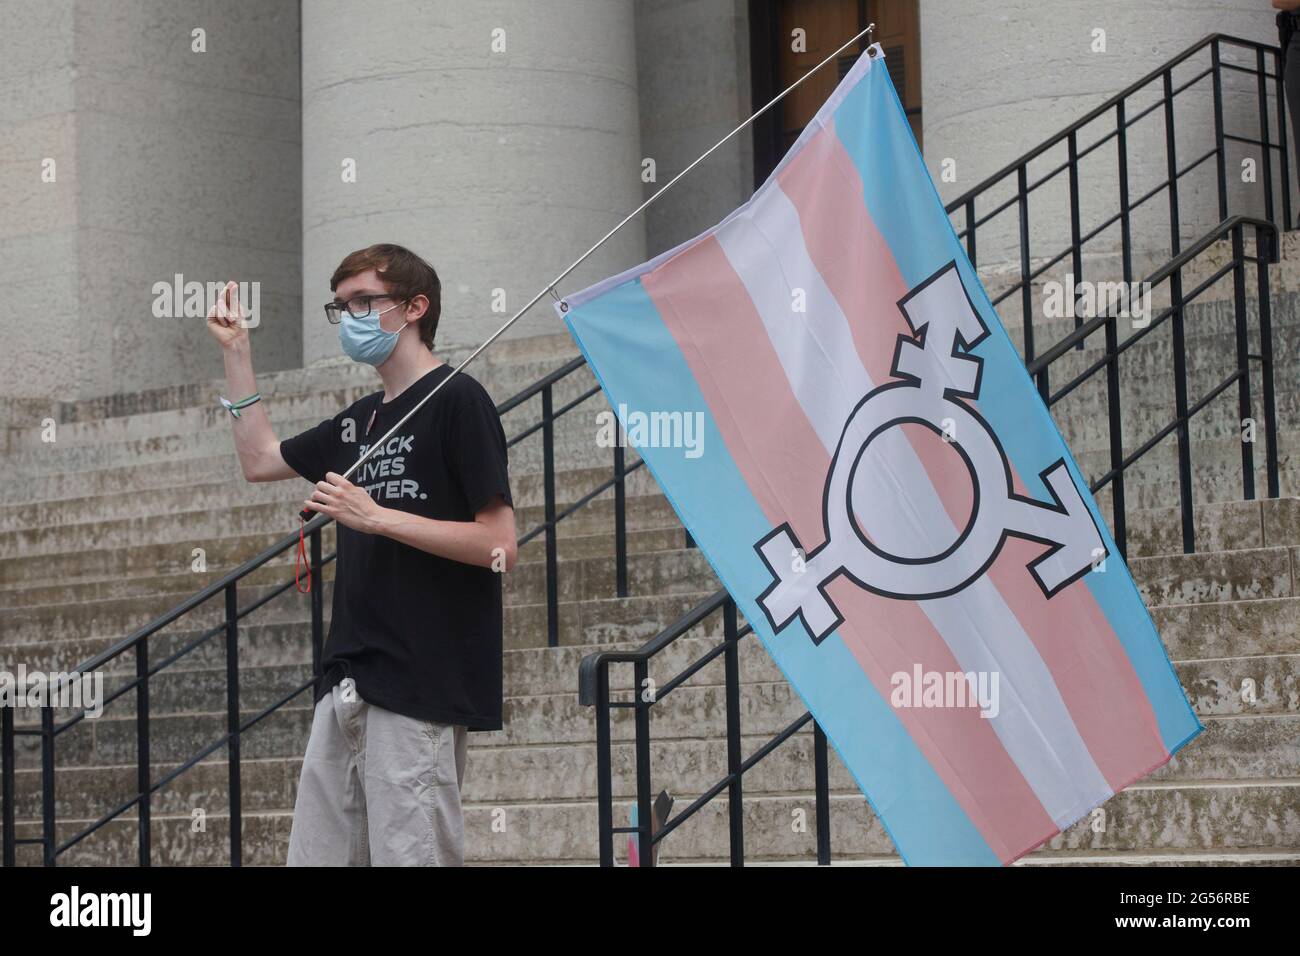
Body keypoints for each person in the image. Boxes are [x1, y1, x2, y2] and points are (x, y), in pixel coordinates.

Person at [205, 243, 516, 866]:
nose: (350, 317)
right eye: (341, 305)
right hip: (347, 676)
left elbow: (499, 545)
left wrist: (377, 517)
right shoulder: (360, 423)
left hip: (421, 678)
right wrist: (237, 352)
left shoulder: (458, 400)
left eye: (365, 302)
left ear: (414, 307)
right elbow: (260, 459)